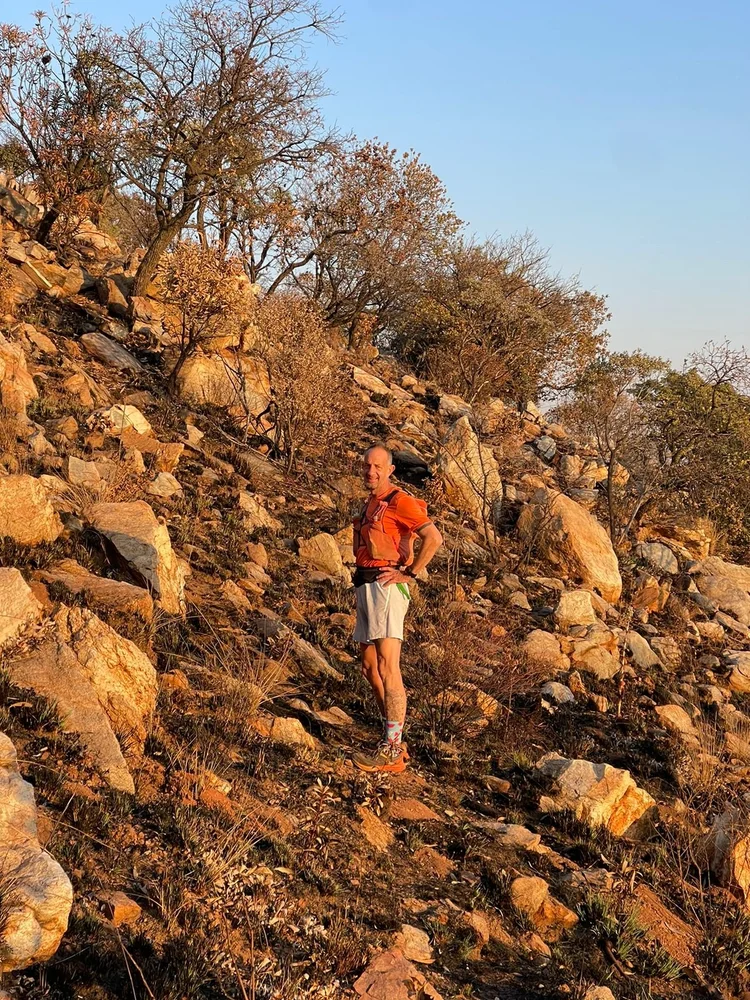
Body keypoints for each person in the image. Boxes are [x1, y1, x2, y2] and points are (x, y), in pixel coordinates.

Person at [351, 444, 443, 773]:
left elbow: (434, 538)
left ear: (390, 470)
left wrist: (411, 573)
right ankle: (393, 739)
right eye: (367, 466)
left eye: (378, 466)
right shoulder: (371, 503)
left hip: (386, 588)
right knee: (369, 668)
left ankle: (391, 749)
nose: (371, 471)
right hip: (366, 585)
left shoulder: (399, 501)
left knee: (388, 667)